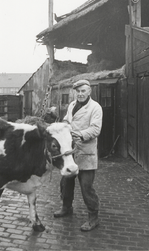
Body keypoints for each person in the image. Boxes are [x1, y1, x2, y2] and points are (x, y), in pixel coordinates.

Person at [53, 79, 103, 232]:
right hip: (70, 151)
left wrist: (79, 135)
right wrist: (62, 127)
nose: (80, 94)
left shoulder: (95, 108)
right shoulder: (72, 105)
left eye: (83, 91)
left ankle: (93, 217)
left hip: (86, 153)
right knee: (66, 182)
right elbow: (68, 120)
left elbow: (95, 130)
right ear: (75, 92)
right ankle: (66, 207)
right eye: (78, 91)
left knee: (86, 186)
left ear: (89, 92)